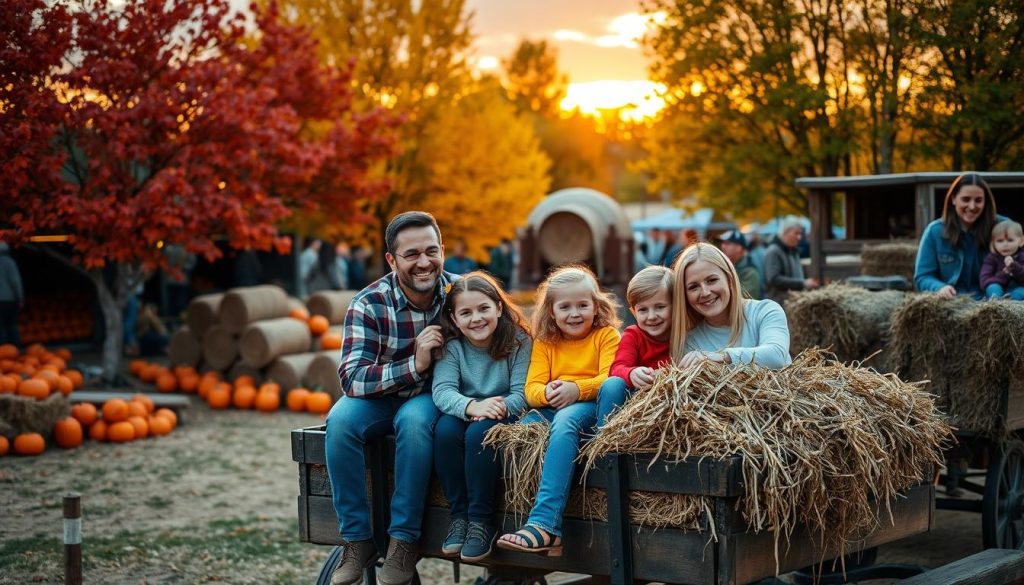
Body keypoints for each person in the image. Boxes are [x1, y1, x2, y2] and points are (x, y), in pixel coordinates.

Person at [324, 211, 458, 585]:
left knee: (414, 424)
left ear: (442, 250)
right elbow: (352, 378)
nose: (424, 262)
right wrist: (414, 364)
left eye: (431, 251)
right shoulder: (368, 304)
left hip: (431, 396)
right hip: (381, 395)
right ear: (391, 260)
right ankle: (356, 540)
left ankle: (403, 541)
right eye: (411, 254)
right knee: (339, 421)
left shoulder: (461, 294)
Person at [496, 265, 621, 556]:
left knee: (566, 420)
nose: (574, 313)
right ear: (551, 311)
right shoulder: (546, 342)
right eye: (565, 307)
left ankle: (544, 525)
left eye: (582, 305)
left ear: (596, 306)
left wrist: (575, 389)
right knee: (522, 429)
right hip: (555, 406)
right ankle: (508, 515)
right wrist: (549, 393)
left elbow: (610, 378)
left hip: (591, 407)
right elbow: (532, 389)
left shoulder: (606, 336)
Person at [432, 272, 532, 562]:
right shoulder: (453, 348)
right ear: (453, 318)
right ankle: (459, 516)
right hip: (468, 410)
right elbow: (442, 391)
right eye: (466, 312)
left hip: (504, 414)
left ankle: (480, 521)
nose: (476, 318)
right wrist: (473, 406)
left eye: (483, 308)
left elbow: (522, 393)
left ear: (499, 308)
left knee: (480, 433)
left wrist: (495, 408)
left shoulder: (519, 341)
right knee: (446, 430)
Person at [672, 243, 791, 370]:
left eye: (712, 280)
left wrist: (720, 357)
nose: (705, 292)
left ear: (729, 279)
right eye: (693, 287)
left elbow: (776, 357)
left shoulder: (766, 311)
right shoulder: (691, 341)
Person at [596, 265, 673, 428]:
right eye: (643, 310)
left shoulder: (683, 334)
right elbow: (616, 369)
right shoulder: (633, 335)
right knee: (612, 384)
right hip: (634, 404)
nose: (652, 316)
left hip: (671, 406)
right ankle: (603, 438)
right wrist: (631, 373)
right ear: (633, 312)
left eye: (660, 307)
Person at [915, 173, 1001, 299]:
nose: (972, 206)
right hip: (954, 302)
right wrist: (940, 287)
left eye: (978, 200)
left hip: (992, 301)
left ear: (985, 202)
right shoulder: (934, 232)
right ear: (953, 199)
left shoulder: (1002, 227)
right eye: (966, 199)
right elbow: (923, 276)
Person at [763, 217, 819, 302]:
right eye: (796, 233)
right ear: (785, 232)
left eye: (800, 234)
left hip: (792, 303)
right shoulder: (773, 252)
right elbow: (773, 279)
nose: (799, 237)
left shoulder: (792, 250)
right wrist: (803, 283)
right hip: (781, 305)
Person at [981, 219, 1024, 300]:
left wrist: (1015, 268)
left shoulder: (1022, 256)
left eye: (1010, 240)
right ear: (993, 243)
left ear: (1021, 241)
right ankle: (995, 303)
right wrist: (1004, 275)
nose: (1005, 244)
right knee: (993, 287)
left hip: (1019, 288)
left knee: (1021, 292)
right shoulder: (991, 258)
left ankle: (1010, 303)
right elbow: (984, 280)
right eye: (1000, 241)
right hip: (998, 288)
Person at [718, 230, 761, 299]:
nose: (723, 246)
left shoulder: (750, 272)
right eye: (723, 243)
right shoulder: (726, 265)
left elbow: (745, 297)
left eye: (727, 243)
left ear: (738, 248)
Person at [0, 242, 24, 347]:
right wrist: (20, 298)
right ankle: (15, 349)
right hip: (8, 299)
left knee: (1, 327)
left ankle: (3, 350)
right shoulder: (9, 263)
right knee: (11, 325)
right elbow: (15, 281)